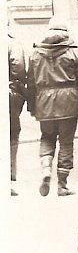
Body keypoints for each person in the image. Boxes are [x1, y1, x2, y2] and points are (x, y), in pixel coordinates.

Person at [27, 18, 78, 197]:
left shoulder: (36, 53)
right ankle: (62, 185)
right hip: (69, 101)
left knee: (47, 137)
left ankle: (46, 169)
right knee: (66, 142)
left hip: (44, 102)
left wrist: (33, 107)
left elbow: (31, 83)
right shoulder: (74, 51)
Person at [8, 32, 27, 196]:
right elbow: (19, 68)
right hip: (8, 93)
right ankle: (8, 178)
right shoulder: (12, 43)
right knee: (11, 135)